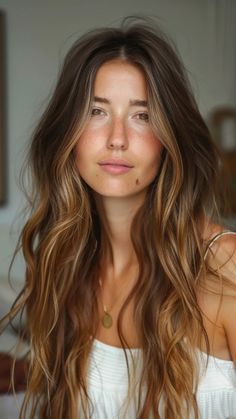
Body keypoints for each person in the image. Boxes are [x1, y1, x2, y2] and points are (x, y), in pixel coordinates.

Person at [4, 16, 236, 419]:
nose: (117, 138)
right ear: (67, 134)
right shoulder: (61, 269)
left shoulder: (225, 267)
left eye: (141, 115)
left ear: (169, 139)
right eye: (97, 111)